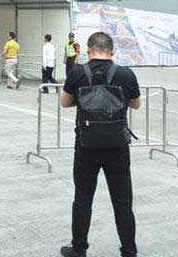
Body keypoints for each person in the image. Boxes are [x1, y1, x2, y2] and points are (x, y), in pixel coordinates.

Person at [59, 31, 141, 257]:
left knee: (83, 199)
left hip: (86, 146)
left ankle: (79, 249)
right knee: (123, 201)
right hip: (117, 147)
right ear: (112, 52)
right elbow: (136, 105)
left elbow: (65, 102)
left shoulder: (78, 72)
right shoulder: (125, 74)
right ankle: (129, 251)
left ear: (88, 50)